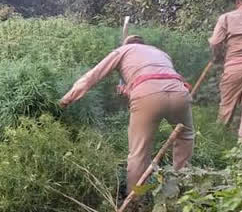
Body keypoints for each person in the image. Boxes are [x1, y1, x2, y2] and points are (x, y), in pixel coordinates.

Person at [59, 36, 194, 192]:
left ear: (126, 44)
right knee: (186, 137)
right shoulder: (160, 53)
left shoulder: (122, 51)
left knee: (139, 152)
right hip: (179, 92)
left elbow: (93, 75)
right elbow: (158, 75)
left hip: (147, 93)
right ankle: (183, 189)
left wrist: (66, 99)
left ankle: (135, 200)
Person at [209, 0, 242, 140]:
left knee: (226, 106)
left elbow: (216, 42)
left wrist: (218, 56)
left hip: (234, 66)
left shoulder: (227, 18)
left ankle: (216, 141)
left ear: (238, 1)